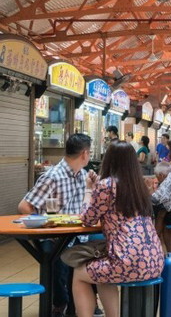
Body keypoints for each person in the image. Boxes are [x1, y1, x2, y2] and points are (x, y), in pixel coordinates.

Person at [73, 141, 164, 317]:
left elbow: (87, 219)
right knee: (101, 273)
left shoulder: (106, 185)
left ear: (109, 160)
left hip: (128, 261)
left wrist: (88, 190)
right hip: (154, 261)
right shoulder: (140, 186)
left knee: (79, 274)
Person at [18, 134, 92, 317]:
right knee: (59, 262)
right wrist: (43, 224)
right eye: (89, 153)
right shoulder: (52, 177)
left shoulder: (83, 175)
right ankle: (60, 304)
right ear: (84, 154)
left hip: (77, 235)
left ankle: (80, 306)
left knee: (96, 255)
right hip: (54, 236)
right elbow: (24, 206)